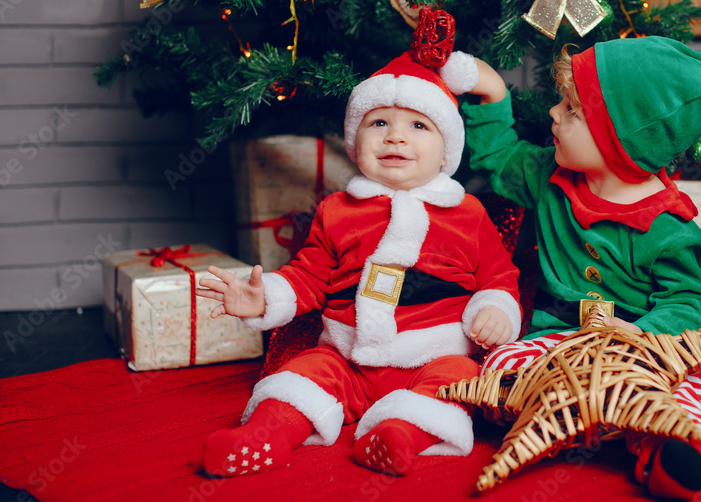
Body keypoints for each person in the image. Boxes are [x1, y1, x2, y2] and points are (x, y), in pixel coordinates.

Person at [196, 48, 521, 477]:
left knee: (456, 382)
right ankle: (266, 433)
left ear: (447, 152)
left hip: (433, 355)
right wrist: (265, 298)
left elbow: (498, 276)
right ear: (355, 143)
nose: (395, 137)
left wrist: (495, 309)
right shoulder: (337, 210)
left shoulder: (467, 213)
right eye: (379, 123)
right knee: (302, 375)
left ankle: (401, 434)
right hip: (347, 358)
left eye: (419, 125)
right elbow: (309, 276)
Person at [461, 36, 701, 499]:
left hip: (634, 349)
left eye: (571, 110)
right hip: (558, 338)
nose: (553, 114)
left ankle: (666, 444)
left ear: (619, 142)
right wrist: (492, 94)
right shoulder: (550, 175)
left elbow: (687, 299)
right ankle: (589, 420)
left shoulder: (669, 227)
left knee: (681, 390)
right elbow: (500, 159)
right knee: (500, 368)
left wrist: (642, 337)